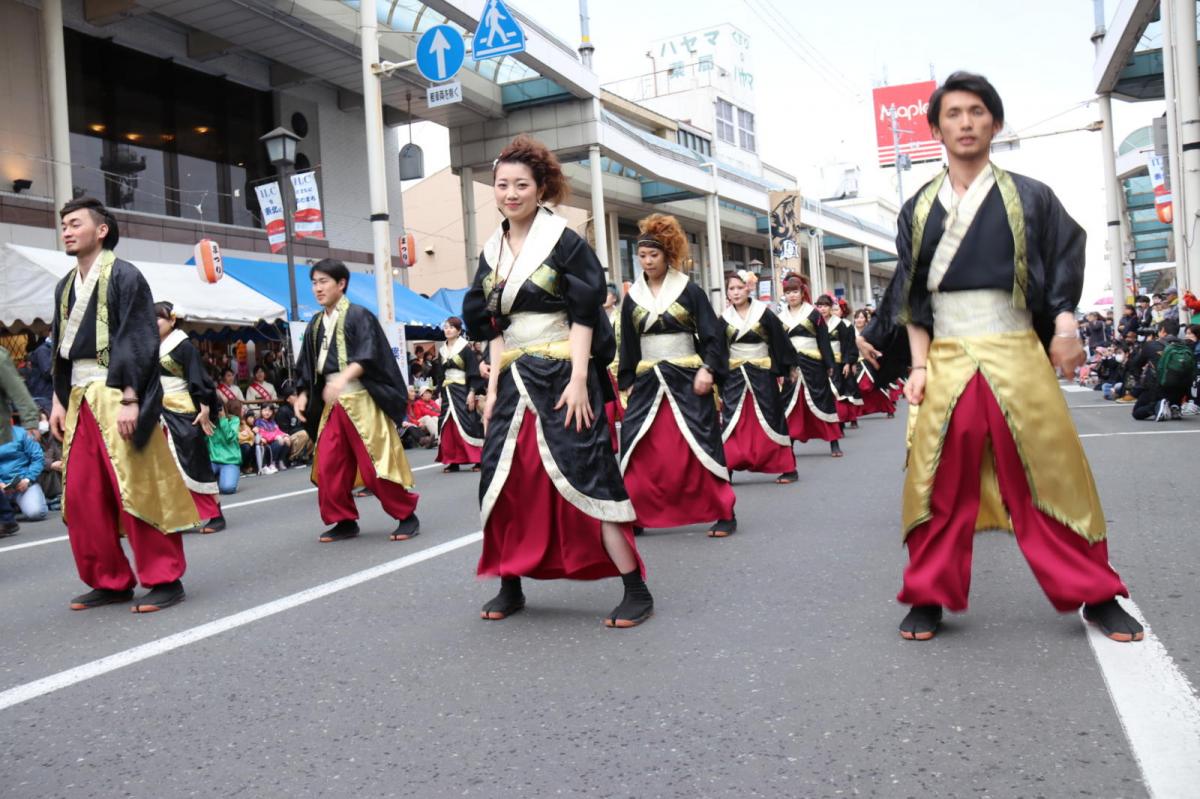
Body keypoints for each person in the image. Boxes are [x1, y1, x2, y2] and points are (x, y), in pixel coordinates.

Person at [860, 72, 1140, 643]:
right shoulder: (917, 208)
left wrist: (1065, 324)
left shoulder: (1032, 196)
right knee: (936, 478)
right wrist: (916, 368)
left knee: (1053, 471)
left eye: (978, 111)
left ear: (996, 123)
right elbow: (914, 299)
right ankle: (928, 594)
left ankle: (1097, 592)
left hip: (1016, 348)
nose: (966, 122)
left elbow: (1063, 264)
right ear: (935, 126)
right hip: (947, 353)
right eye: (954, 113)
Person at [463, 134, 652, 627]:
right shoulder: (491, 248)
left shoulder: (563, 238)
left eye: (520, 184)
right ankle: (510, 582)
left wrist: (580, 378)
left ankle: (636, 588)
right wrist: (491, 390)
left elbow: (585, 314)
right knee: (503, 480)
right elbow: (491, 325)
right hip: (513, 378)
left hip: (563, 371)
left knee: (589, 471)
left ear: (540, 187)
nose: (510, 193)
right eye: (502, 184)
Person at [49, 197, 197, 613]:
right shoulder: (65, 286)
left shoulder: (126, 276)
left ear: (101, 230)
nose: (67, 230)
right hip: (79, 397)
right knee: (82, 495)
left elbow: (137, 339)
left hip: (116, 394)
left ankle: (165, 577)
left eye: (75, 223)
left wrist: (132, 397)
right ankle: (109, 579)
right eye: (63, 224)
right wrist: (59, 399)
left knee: (137, 486)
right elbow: (61, 351)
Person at [618, 212, 737, 536]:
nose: (647, 261)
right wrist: (626, 381)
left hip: (687, 377)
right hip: (646, 380)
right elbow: (628, 343)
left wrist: (708, 369)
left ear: (667, 254)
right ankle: (637, 513)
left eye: (653, 255)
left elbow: (712, 336)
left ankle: (724, 511)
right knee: (637, 445)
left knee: (700, 441)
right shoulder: (632, 298)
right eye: (641, 255)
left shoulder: (689, 290)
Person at [294, 258, 421, 543]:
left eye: (324, 281)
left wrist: (342, 378)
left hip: (362, 399)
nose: (317, 288)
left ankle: (406, 515)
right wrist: (302, 394)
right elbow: (306, 365)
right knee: (328, 465)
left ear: (341, 284)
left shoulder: (359, 315)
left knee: (375, 465)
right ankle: (343, 520)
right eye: (314, 282)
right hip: (332, 404)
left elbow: (368, 353)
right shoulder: (315, 323)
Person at [720, 270, 798, 484]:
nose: (735, 292)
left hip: (762, 372)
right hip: (734, 374)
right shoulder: (724, 318)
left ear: (748, 288)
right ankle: (728, 466)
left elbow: (780, 340)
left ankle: (787, 466)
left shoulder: (764, 312)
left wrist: (789, 366)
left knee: (771, 415)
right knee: (732, 420)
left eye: (739, 287)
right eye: (731, 289)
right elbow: (717, 348)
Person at [155, 301, 225, 534]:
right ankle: (178, 517)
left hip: (183, 410)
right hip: (159, 412)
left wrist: (204, 407)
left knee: (194, 463)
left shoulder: (183, 346)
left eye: (158, 318)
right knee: (167, 467)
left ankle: (216, 514)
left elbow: (199, 377)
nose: (153, 323)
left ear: (172, 320)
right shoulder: (150, 345)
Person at [778, 276, 844, 457]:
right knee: (790, 405)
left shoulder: (814, 314)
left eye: (795, 292)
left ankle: (834, 443)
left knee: (823, 400)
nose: (792, 296)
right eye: (788, 292)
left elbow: (823, 341)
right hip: (792, 366)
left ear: (802, 293)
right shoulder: (780, 317)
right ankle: (788, 445)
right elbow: (778, 345)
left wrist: (830, 364)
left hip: (814, 364)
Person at [434, 316, 485, 472]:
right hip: (447, 390)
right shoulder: (442, 350)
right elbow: (440, 374)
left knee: (468, 422)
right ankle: (453, 460)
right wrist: (440, 393)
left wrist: (472, 392)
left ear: (459, 331)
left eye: (451, 327)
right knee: (448, 424)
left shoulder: (465, 349)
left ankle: (478, 459)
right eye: (446, 327)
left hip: (462, 390)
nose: (447, 330)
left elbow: (473, 372)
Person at [853, 308, 896, 418]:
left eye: (861, 317)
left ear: (866, 319)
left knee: (873, 387)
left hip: (869, 362)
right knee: (857, 389)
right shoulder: (850, 330)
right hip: (856, 362)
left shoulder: (869, 332)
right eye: (857, 317)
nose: (859, 320)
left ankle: (889, 408)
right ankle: (855, 415)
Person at [0, 423, 47, 521]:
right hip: (1, 488)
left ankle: (21, 504)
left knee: (36, 513)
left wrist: (27, 479)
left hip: (23, 483)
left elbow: (38, 457)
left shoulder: (21, 433)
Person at [207, 398, 242, 495]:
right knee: (202, 486)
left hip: (230, 460)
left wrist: (223, 419)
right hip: (212, 460)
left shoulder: (234, 420)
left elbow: (230, 437)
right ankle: (219, 477)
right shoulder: (207, 422)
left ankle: (228, 477)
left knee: (227, 489)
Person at [274, 383, 313, 465]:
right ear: (288, 399)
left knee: (313, 432)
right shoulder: (283, 411)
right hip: (287, 436)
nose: (297, 397)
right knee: (304, 433)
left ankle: (305, 456)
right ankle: (293, 457)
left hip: (299, 433)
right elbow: (283, 430)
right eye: (294, 395)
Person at [254, 404, 291, 471]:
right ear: (261, 411)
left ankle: (280, 460)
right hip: (266, 443)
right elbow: (263, 434)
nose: (267, 413)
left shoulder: (272, 422)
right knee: (278, 442)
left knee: (287, 440)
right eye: (265, 410)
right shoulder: (259, 422)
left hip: (273, 441)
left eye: (270, 411)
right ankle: (272, 463)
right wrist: (275, 437)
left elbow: (278, 431)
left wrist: (285, 435)